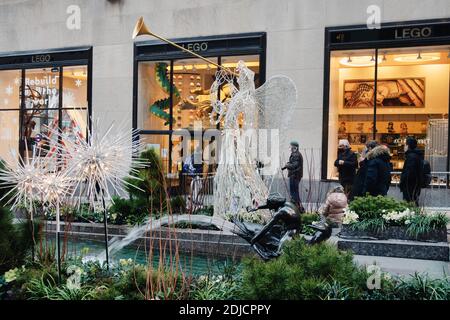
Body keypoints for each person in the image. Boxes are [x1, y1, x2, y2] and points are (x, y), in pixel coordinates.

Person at [400, 137, 423, 206]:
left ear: (408, 145)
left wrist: (403, 181)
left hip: (410, 184)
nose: (404, 146)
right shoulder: (416, 155)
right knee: (413, 200)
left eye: (405, 144)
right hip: (415, 183)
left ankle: (411, 215)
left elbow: (409, 172)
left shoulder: (411, 157)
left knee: (409, 201)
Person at [281, 141, 304, 211]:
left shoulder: (296, 155)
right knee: (294, 193)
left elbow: (295, 165)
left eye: (290, 146)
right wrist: (288, 164)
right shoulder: (295, 154)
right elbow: (293, 163)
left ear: (295, 147)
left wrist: (287, 165)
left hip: (295, 175)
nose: (289, 148)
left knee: (294, 193)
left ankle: (298, 208)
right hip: (295, 175)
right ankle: (298, 208)